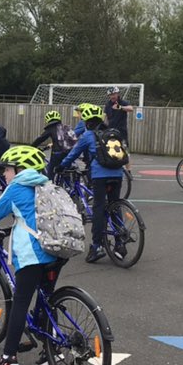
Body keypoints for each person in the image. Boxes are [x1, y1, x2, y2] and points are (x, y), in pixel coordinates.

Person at [0, 145, 62, 365]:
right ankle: (53, 349)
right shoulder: (46, 184)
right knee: (47, 299)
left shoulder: (16, 187)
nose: (5, 174)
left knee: (20, 302)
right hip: (56, 251)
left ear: (20, 169)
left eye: (8, 169)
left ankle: (8, 358)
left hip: (32, 255)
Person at [58, 104, 125, 262]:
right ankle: (120, 242)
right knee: (115, 205)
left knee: (99, 208)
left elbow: (74, 154)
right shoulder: (113, 133)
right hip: (118, 173)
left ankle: (97, 246)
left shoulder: (88, 135)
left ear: (87, 122)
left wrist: (61, 166)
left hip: (100, 175)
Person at [31, 110, 76, 180]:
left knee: (50, 172)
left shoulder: (51, 128)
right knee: (66, 169)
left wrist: (31, 147)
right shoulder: (66, 127)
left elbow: (40, 139)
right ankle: (68, 185)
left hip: (57, 154)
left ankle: (50, 186)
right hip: (69, 153)